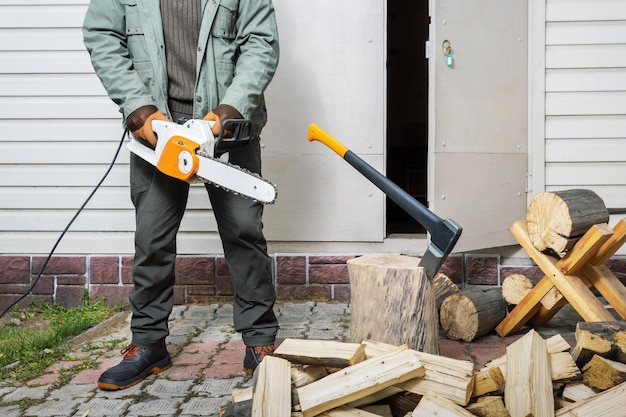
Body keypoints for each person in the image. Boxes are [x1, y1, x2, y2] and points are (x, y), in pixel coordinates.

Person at [82, 0, 280, 390]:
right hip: (158, 132)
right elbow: (102, 35)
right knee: (152, 237)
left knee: (244, 230)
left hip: (226, 129)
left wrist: (227, 112)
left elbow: (261, 43)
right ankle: (148, 343)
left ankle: (260, 341)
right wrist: (138, 109)